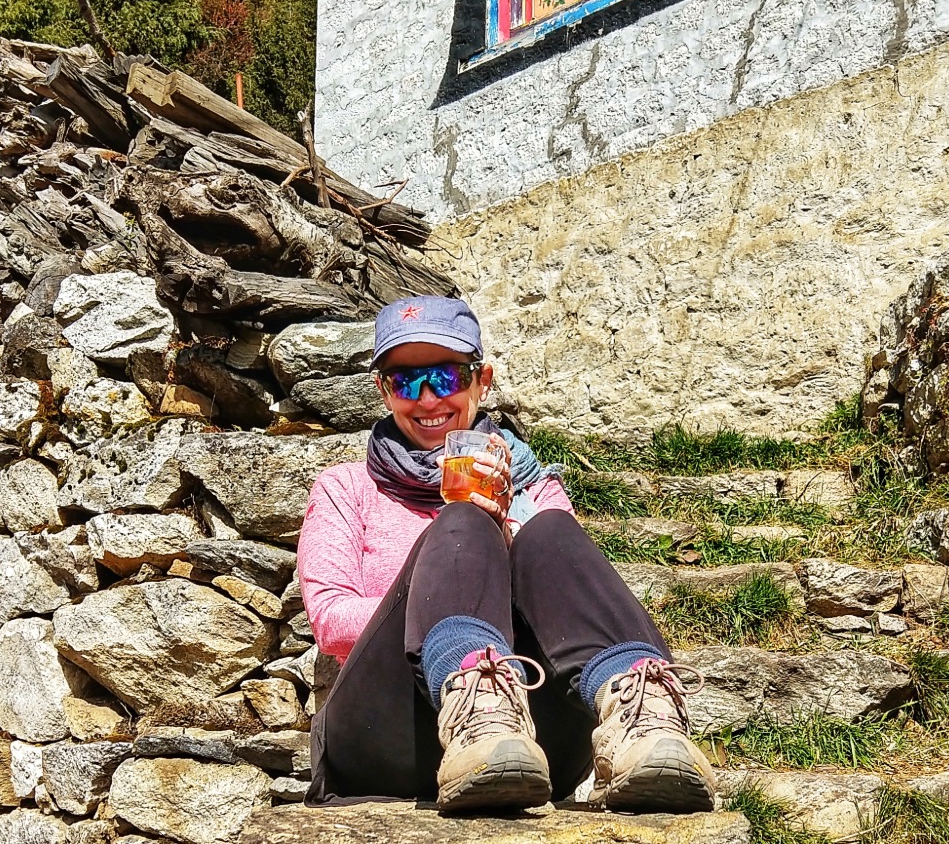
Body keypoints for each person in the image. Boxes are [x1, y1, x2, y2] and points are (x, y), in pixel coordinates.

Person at [297, 295, 716, 813]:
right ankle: (473, 701)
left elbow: (571, 608)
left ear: (482, 380)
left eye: (446, 377)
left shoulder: (536, 488)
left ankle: (644, 720)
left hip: (532, 739)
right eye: (405, 382)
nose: (427, 398)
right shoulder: (345, 488)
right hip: (386, 731)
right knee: (463, 524)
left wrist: (509, 525)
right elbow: (331, 621)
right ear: (385, 392)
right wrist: (447, 579)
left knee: (548, 532)